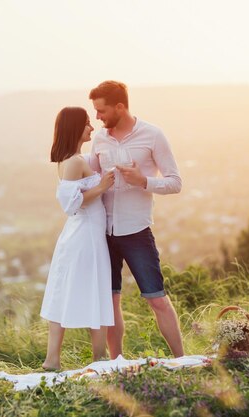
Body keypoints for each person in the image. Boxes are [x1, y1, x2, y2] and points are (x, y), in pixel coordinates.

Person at [89, 80, 185, 359]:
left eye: (102, 111)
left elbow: (175, 182)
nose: (98, 118)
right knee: (110, 301)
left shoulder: (153, 135)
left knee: (157, 299)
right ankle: (115, 363)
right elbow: (91, 180)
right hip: (102, 231)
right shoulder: (100, 139)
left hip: (136, 231)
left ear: (120, 106)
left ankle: (182, 359)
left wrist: (143, 181)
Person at [40, 107, 116, 371]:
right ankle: (95, 358)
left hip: (87, 235)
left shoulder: (76, 159)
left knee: (73, 291)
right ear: (75, 127)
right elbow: (71, 203)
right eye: (86, 124)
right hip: (84, 237)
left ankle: (62, 359)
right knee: (90, 289)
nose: (91, 128)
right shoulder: (73, 162)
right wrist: (102, 187)